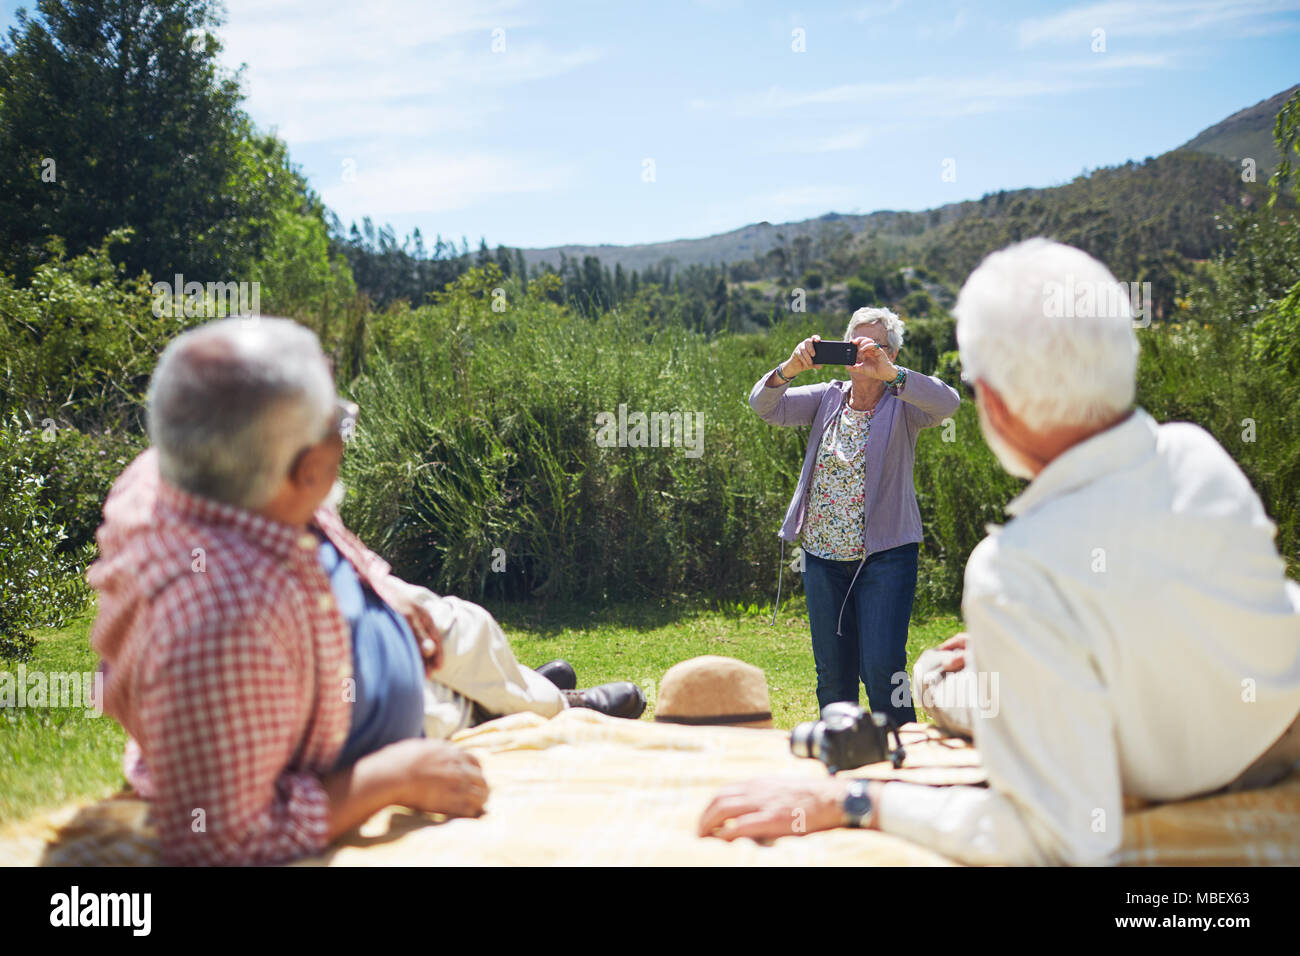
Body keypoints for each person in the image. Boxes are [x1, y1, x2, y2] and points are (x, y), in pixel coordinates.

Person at [701, 239, 1300, 865]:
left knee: (924, 673)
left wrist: (860, 803)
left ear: (997, 404)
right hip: (1260, 730)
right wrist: (791, 366)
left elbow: (1058, 843)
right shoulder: (1200, 455)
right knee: (934, 674)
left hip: (895, 565)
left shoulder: (1012, 571)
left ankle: (909, 725)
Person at [88, 316, 644, 865]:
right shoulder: (224, 629)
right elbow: (224, 836)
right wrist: (389, 778)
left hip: (343, 643)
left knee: (468, 629)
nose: (347, 431)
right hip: (349, 719)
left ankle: (522, 693)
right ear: (307, 469)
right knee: (449, 705)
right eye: (340, 421)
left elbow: (314, 521)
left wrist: (380, 588)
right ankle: (547, 706)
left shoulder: (203, 468)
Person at [749, 308, 960, 724]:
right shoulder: (826, 396)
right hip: (822, 557)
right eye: (855, 344)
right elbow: (764, 406)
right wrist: (791, 367)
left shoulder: (905, 404)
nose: (863, 353)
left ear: (893, 353)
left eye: (875, 346)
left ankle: (904, 756)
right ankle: (839, 758)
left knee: (882, 669)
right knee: (832, 675)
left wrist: (892, 374)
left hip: (885, 558)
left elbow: (948, 403)